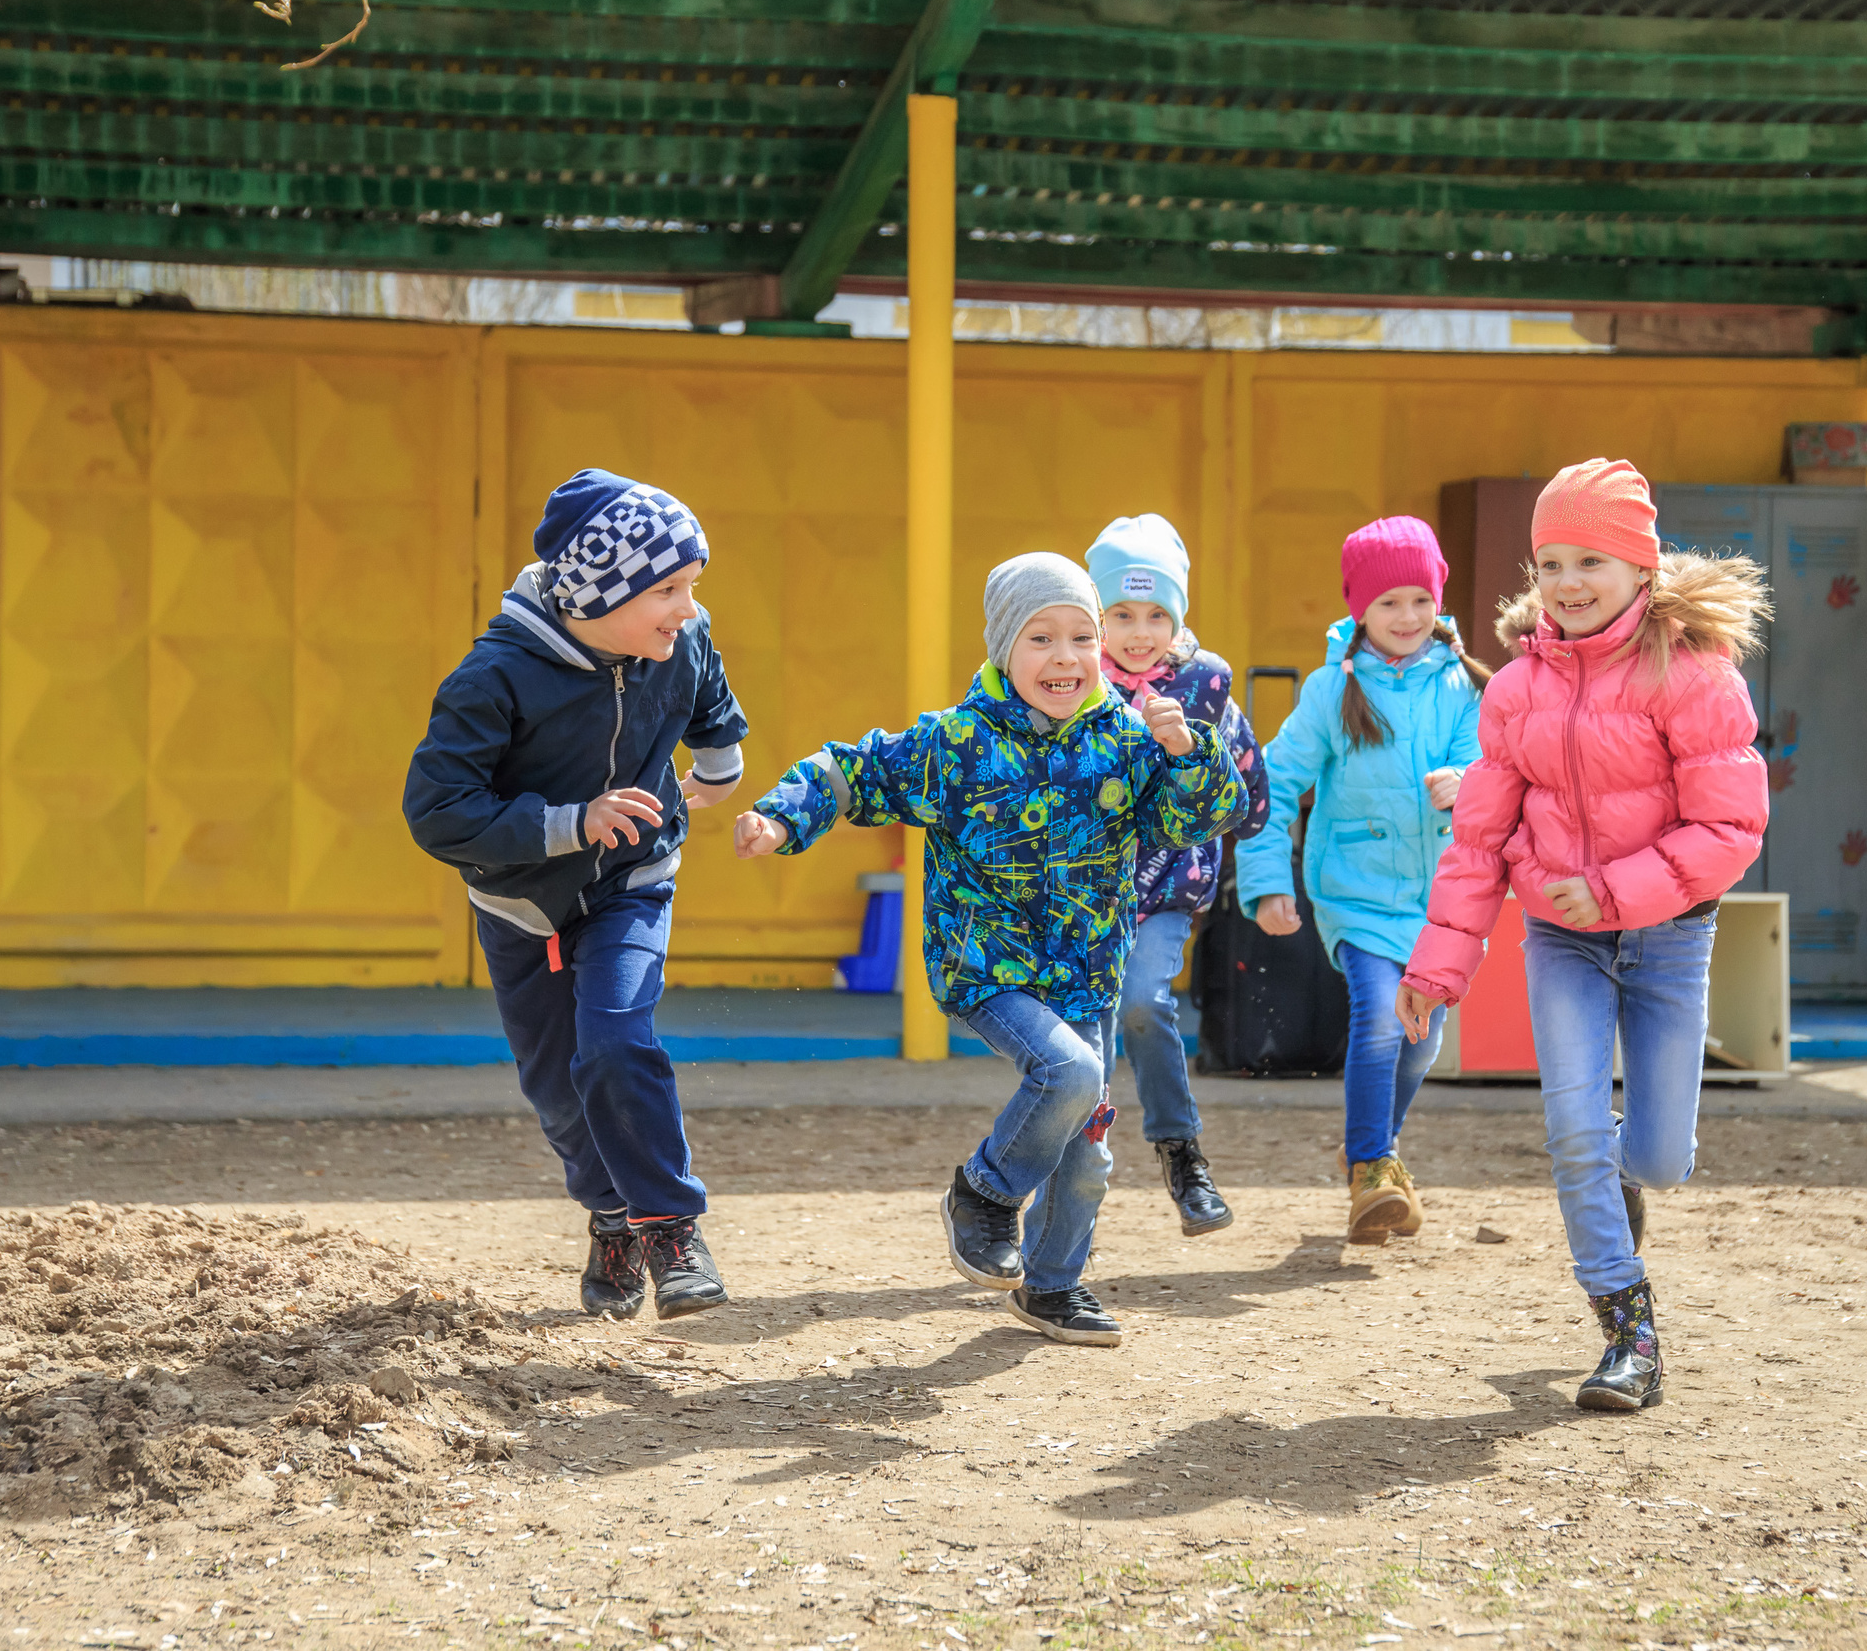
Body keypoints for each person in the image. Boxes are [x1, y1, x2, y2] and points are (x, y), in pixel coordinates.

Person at [735, 554, 1246, 1347]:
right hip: (987, 967)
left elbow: (1199, 821)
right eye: (1041, 638)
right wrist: (780, 818)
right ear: (1005, 648)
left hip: (1087, 974)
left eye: (1082, 637)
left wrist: (1188, 754)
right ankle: (985, 1191)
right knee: (1070, 1073)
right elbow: (853, 770)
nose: (1065, 656)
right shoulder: (956, 743)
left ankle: (1052, 1286)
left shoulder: (1128, 739)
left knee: (1087, 1149)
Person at [1397, 459, 1770, 1412]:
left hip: (1669, 939)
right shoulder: (1516, 690)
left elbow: (1729, 829)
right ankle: (1627, 1332)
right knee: (1573, 1130)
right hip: (1561, 941)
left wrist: (1607, 889)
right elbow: (1479, 841)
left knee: (1658, 1157)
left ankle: (1625, 1185)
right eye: (1551, 562)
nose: (1567, 582)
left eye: (1590, 561)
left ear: (1641, 567)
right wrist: (1438, 968)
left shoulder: (1693, 675)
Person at [404, 469, 748, 1324]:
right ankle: (612, 1216)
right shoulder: (494, 678)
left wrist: (719, 762)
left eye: (692, 585)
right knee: (560, 1091)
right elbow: (438, 811)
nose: (688, 608)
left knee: (616, 1043)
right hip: (522, 907)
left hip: (633, 880)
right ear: (601, 593)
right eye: (667, 589)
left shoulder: (684, 638)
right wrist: (569, 823)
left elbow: (706, 688)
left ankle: (670, 1228)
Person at [1232, 516, 1491, 1245]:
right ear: (1359, 609)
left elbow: (1494, 769)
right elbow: (1274, 785)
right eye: (1388, 603)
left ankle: (1373, 1152)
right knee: (1381, 1017)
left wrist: (1467, 784)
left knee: (1421, 1042)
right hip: (1356, 893)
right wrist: (1268, 881)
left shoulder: (1464, 685)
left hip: (1441, 902)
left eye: (1420, 600)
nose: (1407, 617)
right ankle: (1373, 1166)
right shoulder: (1328, 691)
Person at [1086, 514, 1272, 1236]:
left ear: (1179, 615)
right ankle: (1068, 1187)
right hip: (1079, 892)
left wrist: (1197, 760)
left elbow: (1249, 790)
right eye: (1121, 614)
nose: (1140, 632)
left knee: (1140, 1001)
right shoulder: (1068, 681)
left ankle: (1180, 1151)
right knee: (1083, 1038)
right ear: (1096, 614)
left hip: (1165, 888)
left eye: (1157, 614)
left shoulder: (1206, 684)